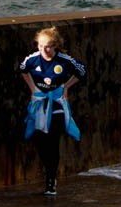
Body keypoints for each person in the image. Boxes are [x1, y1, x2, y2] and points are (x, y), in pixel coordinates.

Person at [19, 25, 87, 197]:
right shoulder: (33, 59)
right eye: (41, 46)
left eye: (48, 46)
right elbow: (22, 70)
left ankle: (51, 179)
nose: (44, 50)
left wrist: (66, 87)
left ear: (55, 45)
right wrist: (33, 88)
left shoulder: (64, 60)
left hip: (57, 104)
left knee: (52, 139)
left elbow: (82, 71)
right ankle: (48, 169)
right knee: (40, 140)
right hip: (40, 103)